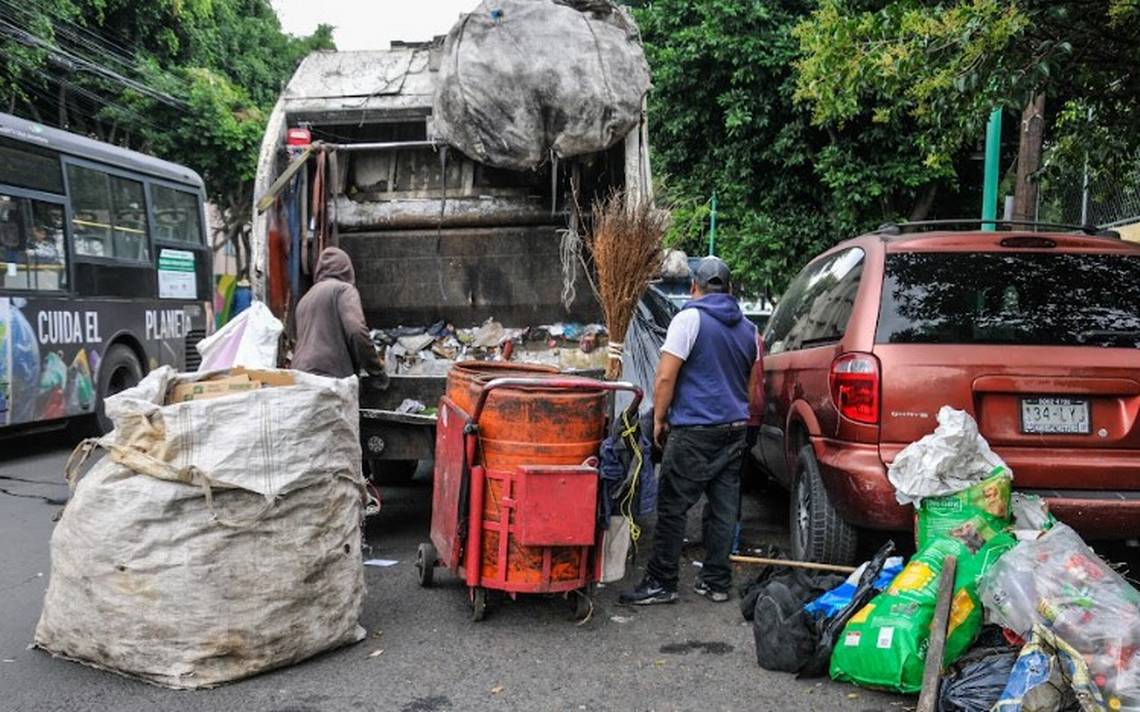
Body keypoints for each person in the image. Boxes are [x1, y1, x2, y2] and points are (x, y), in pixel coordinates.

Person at [620, 256, 759, 605]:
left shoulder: (689, 319)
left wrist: (660, 419)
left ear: (694, 287)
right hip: (735, 428)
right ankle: (715, 582)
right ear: (729, 290)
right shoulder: (750, 330)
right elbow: (755, 388)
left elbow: (665, 376)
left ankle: (662, 582)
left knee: (673, 506)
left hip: (695, 429)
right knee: (724, 509)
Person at [292, 246, 387, 383]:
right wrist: (376, 370)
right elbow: (357, 331)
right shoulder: (343, 290)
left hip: (299, 376)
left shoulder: (305, 299)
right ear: (348, 270)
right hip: (329, 377)